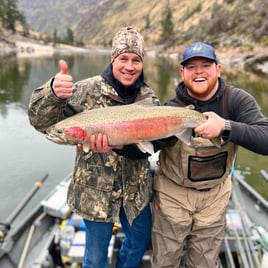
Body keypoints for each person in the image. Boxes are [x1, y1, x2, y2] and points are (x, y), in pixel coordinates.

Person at [28, 26, 160, 268]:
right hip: (94, 192)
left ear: (142, 63)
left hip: (136, 191)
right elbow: (41, 122)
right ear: (113, 59)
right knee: (96, 257)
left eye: (136, 60)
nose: (129, 66)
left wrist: (120, 147)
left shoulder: (148, 97)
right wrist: (53, 94)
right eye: (123, 58)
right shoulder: (84, 90)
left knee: (137, 245)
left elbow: (155, 144)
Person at [150, 42, 268, 267]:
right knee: (165, 260)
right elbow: (147, 147)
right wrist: (114, 143)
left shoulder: (236, 101)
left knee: (204, 262)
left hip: (215, 197)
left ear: (219, 69)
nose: (199, 72)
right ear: (182, 73)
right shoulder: (171, 108)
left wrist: (226, 127)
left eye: (206, 65)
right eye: (191, 67)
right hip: (172, 196)